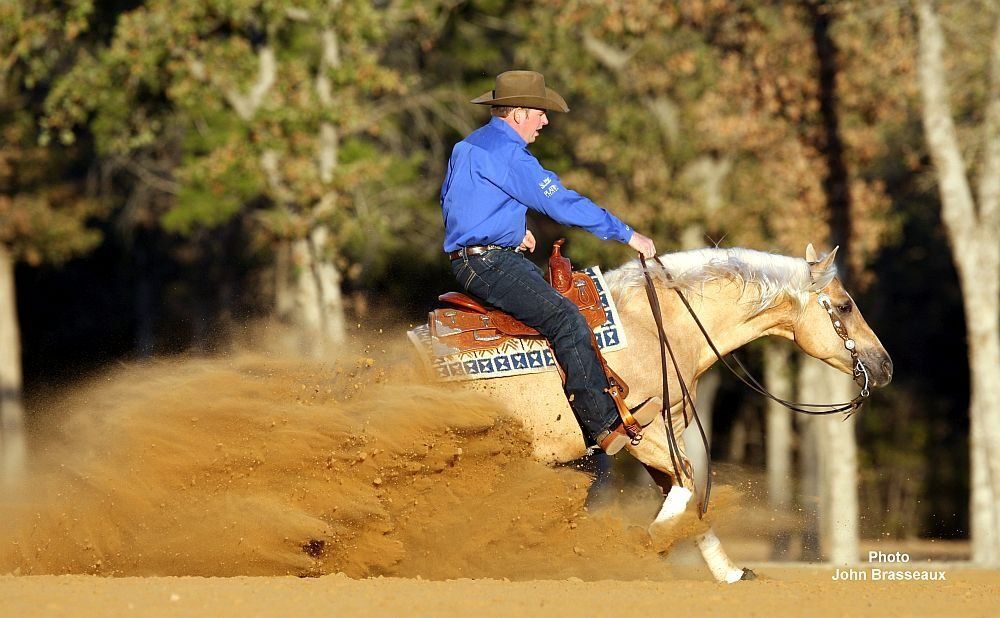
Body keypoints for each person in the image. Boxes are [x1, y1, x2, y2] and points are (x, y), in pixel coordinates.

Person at [440, 70, 658, 454]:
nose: (545, 121)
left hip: (477, 258)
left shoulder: (469, 146)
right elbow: (561, 202)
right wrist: (626, 234)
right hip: (489, 262)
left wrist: (507, 231)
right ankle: (603, 425)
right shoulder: (509, 155)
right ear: (519, 113)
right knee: (566, 318)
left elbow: (454, 203)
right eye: (540, 112)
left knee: (557, 313)